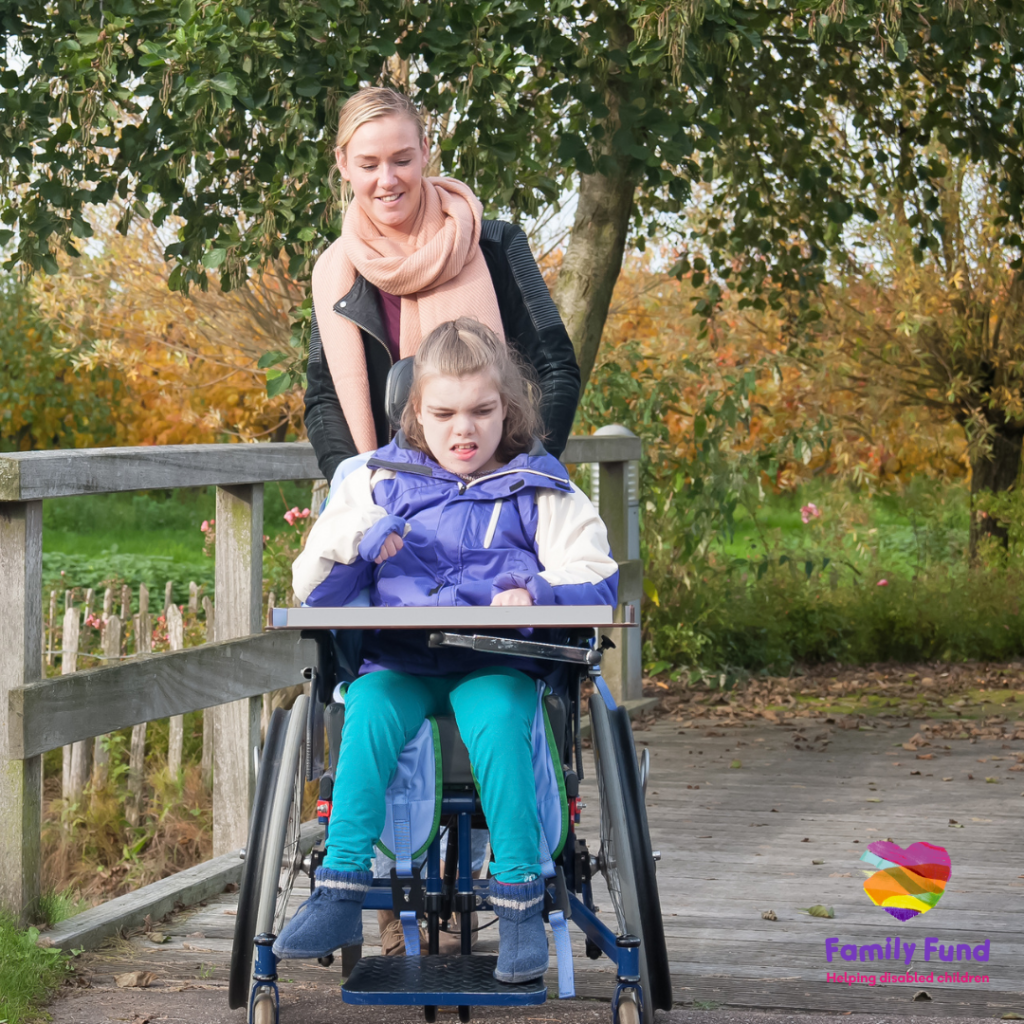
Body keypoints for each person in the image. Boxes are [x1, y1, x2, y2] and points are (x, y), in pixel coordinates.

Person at [274, 319, 617, 984]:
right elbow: (312, 585)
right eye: (445, 414)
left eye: (482, 412)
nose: (465, 430)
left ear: (508, 409)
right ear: (416, 414)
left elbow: (595, 573)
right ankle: (340, 889)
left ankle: (519, 904)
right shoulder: (376, 482)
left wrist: (537, 592)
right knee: (367, 712)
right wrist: (362, 544)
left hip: (495, 659)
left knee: (498, 721)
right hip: (400, 662)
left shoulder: (538, 486)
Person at [304, 86, 581, 487]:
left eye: (402, 160)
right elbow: (323, 399)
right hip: (383, 502)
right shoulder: (332, 273)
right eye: (368, 165)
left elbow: (557, 369)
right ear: (342, 164)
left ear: (425, 150)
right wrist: (352, 482)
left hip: (497, 494)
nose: (387, 180)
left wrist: (520, 473)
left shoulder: (497, 245)